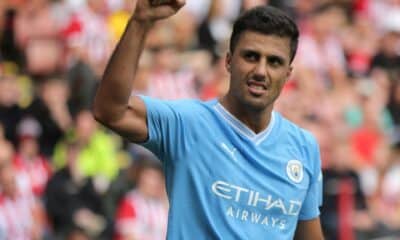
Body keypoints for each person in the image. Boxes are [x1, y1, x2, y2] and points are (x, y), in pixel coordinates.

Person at [93, 1, 323, 239]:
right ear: (228, 61)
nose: (261, 71)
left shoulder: (304, 147)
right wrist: (140, 22)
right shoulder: (187, 124)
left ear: (288, 74)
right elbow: (110, 111)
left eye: (274, 61)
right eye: (251, 56)